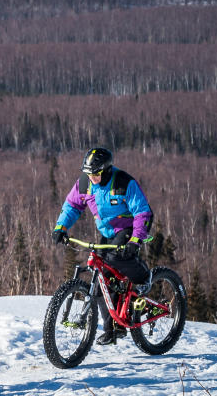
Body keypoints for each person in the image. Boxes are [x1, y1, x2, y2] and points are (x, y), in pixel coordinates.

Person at [51, 147, 153, 345]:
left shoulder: (124, 182)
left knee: (115, 258)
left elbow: (143, 212)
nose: (91, 178)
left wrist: (135, 240)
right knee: (100, 279)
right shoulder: (85, 183)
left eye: (95, 174)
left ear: (106, 170)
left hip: (130, 227)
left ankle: (143, 277)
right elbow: (72, 205)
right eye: (88, 173)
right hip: (108, 232)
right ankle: (113, 329)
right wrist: (61, 227)